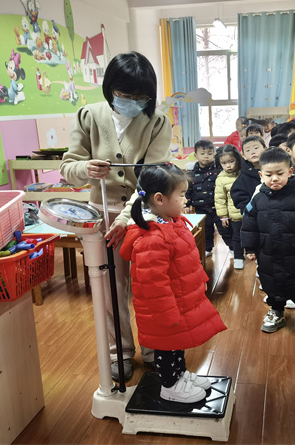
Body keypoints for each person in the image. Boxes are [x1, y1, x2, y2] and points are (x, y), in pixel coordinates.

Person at [61, 51, 171, 381]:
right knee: (111, 288)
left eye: (140, 98)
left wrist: (127, 217)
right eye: (124, 95)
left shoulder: (157, 122)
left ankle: (154, 348)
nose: (132, 103)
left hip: (143, 213)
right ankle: (119, 351)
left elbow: (152, 179)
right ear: (110, 89)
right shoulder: (89, 116)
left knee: (150, 285)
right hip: (102, 217)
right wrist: (85, 168)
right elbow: (68, 168)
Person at [119, 165, 226, 403]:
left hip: (178, 302)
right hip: (165, 310)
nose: (186, 200)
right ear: (159, 199)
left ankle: (180, 375)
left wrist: (199, 285)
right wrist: (166, 314)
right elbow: (152, 284)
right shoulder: (152, 238)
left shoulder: (171, 222)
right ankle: (169, 386)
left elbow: (186, 263)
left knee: (177, 343)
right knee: (166, 348)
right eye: (182, 194)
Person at [241, 147, 295, 334]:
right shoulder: (258, 199)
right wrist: (250, 247)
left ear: (290, 171)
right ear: (261, 175)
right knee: (272, 285)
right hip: (268, 252)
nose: (274, 179)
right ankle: (276, 311)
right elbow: (248, 224)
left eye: (280, 174)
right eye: (268, 174)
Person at [184, 140, 222, 258]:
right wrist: (186, 204)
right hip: (200, 208)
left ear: (214, 154)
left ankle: (233, 249)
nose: (206, 156)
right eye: (202, 153)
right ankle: (207, 249)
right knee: (206, 230)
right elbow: (188, 191)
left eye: (210, 153)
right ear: (196, 155)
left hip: (218, 207)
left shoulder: (219, 172)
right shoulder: (191, 175)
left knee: (224, 229)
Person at [214, 145, 245, 269]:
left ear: (237, 159)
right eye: (224, 163)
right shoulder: (221, 179)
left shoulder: (244, 173)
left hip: (249, 212)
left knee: (253, 235)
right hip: (234, 215)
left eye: (231, 161)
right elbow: (220, 199)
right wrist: (223, 216)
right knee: (236, 237)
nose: (228, 166)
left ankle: (255, 256)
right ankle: (238, 257)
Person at [230, 135, 268, 212]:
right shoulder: (243, 177)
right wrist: (249, 211)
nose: (253, 152)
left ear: (265, 149)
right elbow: (239, 197)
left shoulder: (275, 168)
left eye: (256, 148)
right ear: (243, 155)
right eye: (248, 150)